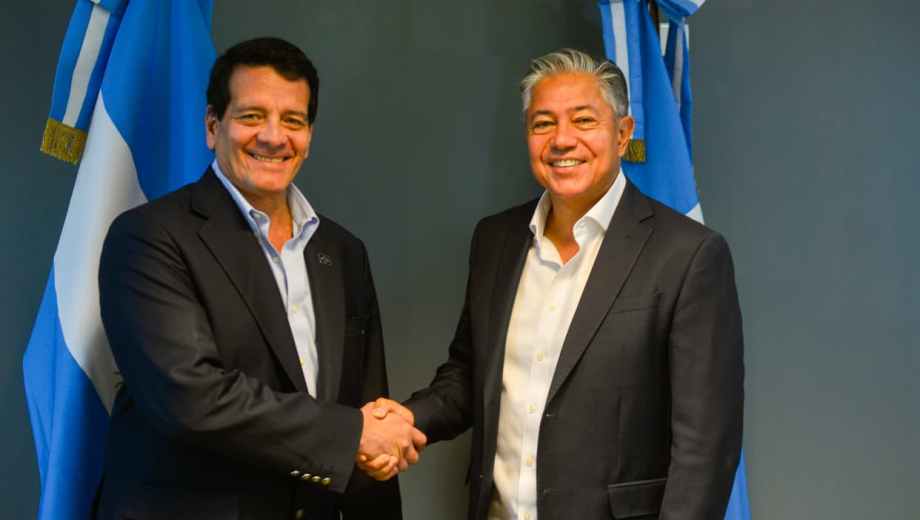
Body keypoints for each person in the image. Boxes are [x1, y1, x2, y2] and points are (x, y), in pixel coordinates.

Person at [366, 49, 744, 520]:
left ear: (623, 134)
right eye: (543, 124)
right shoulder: (495, 240)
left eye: (583, 121)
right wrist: (406, 420)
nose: (562, 140)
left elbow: (705, 447)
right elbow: (469, 375)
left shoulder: (687, 255)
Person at [96, 37, 423, 520]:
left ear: (309, 137)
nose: (274, 136)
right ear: (212, 126)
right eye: (252, 116)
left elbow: (364, 402)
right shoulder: (149, 237)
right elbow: (190, 396)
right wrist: (352, 434)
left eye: (293, 120)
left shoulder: (342, 251)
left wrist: (371, 449)